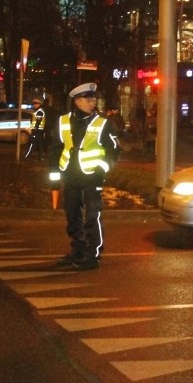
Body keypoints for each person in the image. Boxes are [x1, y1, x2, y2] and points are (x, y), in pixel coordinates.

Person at [48, 83, 121, 271]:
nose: (93, 103)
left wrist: (101, 171)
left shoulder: (103, 123)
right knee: (72, 216)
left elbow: (113, 151)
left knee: (92, 216)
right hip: (70, 176)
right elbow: (55, 149)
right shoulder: (63, 121)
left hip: (92, 178)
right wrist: (55, 176)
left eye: (94, 99)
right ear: (77, 101)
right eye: (88, 99)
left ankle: (92, 255)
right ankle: (78, 250)